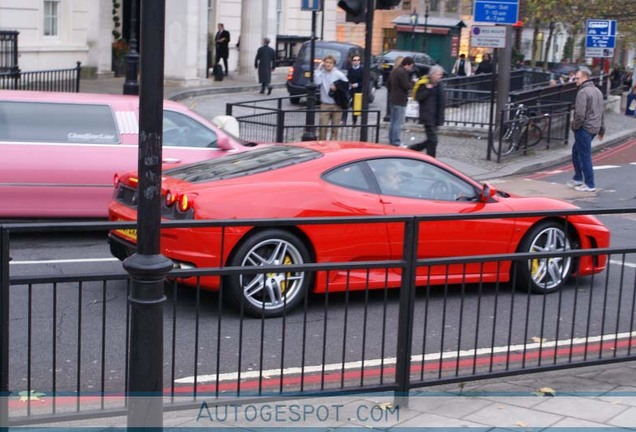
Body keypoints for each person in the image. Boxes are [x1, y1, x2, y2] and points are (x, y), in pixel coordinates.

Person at [568, 66, 605, 193]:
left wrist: (574, 126)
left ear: (584, 77)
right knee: (576, 152)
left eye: (577, 78)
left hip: (584, 128)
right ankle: (578, 178)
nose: (575, 80)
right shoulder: (597, 91)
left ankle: (589, 184)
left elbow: (579, 114)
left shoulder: (583, 92)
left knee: (584, 156)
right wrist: (602, 130)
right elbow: (601, 113)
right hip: (594, 128)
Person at [409, 65, 446, 158]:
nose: (440, 76)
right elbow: (418, 97)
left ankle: (414, 149)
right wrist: (428, 89)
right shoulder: (424, 83)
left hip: (436, 116)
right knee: (433, 140)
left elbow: (441, 101)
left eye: (440, 75)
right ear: (432, 74)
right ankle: (430, 158)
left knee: (431, 140)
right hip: (427, 116)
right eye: (438, 74)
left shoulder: (440, 84)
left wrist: (441, 117)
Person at [314, 55, 348, 140]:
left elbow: (346, 86)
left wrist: (337, 87)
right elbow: (317, 82)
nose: (328, 64)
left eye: (331, 63)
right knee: (322, 127)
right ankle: (322, 145)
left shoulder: (338, 74)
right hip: (325, 104)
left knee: (335, 129)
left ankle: (332, 146)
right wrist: (319, 68)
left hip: (336, 104)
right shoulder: (322, 73)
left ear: (334, 64)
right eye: (327, 62)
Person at [387, 56, 415, 147]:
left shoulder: (394, 71)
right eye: (411, 66)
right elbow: (406, 86)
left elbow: (388, 85)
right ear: (406, 64)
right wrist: (413, 83)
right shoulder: (402, 72)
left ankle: (392, 140)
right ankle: (396, 141)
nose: (411, 69)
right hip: (400, 100)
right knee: (397, 123)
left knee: (393, 122)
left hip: (393, 99)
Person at [343, 54, 363, 125]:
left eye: (358, 60)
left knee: (356, 106)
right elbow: (345, 79)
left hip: (357, 90)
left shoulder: (362, 70)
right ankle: (344, 120)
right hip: (349, 89)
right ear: (352, 61)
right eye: (355, 60)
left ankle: (354, 121)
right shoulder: (349, 69)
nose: (356, 61)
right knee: (345, 104)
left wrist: (357, 84)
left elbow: (364, 81)